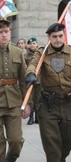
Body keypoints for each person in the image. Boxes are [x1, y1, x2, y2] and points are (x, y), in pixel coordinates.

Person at [25, 23, 71, 162]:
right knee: (51, 145)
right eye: (54, 37)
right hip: (49, 105)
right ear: (49, 38)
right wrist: (30, 73)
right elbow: (32, 64)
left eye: (60, 36)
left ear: (63, 36)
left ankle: (61, 158)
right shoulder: (42, 53)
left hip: (69, 103)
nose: (58, 39)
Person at [0, 18, 30, 162]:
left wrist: (27, 103)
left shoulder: (18, 52)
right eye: (0, 32)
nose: (3, 35)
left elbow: (24, 81)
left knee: (16, 141)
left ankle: (10, 159)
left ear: (10, 33)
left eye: (6, 32)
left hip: (13, 102)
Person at [25, 37, 41, 125]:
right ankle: (31, 117)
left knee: (38, 99)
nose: (32, 45)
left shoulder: (40, 54)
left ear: (37, 44)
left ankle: (37, 117)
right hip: (30, 80)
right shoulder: (26, 55)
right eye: (31, 44)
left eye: (34, 43)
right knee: (31, 99)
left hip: (39, 80)